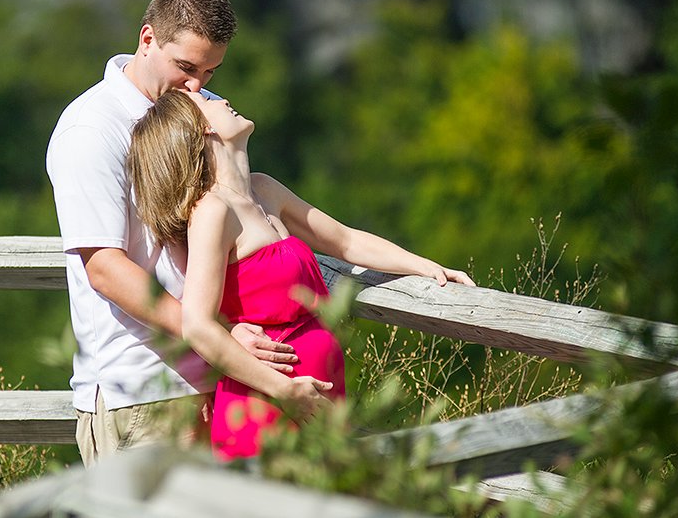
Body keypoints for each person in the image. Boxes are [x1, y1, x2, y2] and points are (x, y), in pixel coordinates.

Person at [127, 90, 476, 459]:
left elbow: (344, 240)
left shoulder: (263, 190)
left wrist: (425, 266)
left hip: (316, 402)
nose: (222, 99)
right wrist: (285, 390)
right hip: (266, 405)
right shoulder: (213, 211)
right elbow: (197, 325)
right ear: (202, 128)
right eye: (207, 102)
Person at [46, 0, 298, 466]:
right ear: (147, 39)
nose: (197, 85)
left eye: (209, 71)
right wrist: (219, 332)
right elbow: (105, 267)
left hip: (219, 378)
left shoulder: (197, 107)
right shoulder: (92, 129)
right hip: (143, 389)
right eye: (186, 67)